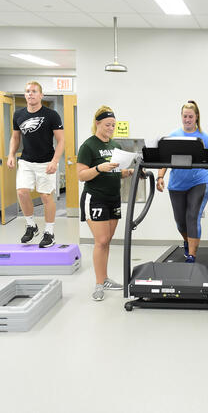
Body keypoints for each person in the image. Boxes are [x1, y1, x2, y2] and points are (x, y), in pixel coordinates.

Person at [77, 106, 134, 301]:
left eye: (113, 125)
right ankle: (99, 283)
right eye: (108, 124)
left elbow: (115, 171)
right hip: (95, 198)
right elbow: (81, 175)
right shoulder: (88, 146)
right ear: (97, 123)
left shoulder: (114, 145)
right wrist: (99, 168)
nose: (111, 128)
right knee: (101, 241)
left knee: (107, 241)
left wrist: (127, 172)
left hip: (113, 198)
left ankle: (105, 278)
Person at [156, 101, 208, 263]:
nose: (187, 119)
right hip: (177, 185)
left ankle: (192, 255)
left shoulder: (204, 138)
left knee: (192, 216)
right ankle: (187, 241)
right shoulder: (173, 135)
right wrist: (160, 177)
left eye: (190, 116)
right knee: (180, 222)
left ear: (196, 117)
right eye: (185, 116)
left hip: (199, 182)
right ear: (181, 117)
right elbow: (165, 159)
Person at [7, 81, 65, 248]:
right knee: (22, 192)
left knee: (46, 196)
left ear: (41, 95)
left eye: (34, 91)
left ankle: (49, 232)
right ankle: (31, 225)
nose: (30, 94)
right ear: (25, 95)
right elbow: (15, 137)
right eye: (27, 91)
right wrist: (11, 154)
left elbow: (61, 141)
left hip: (46, 162)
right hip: (26, 161)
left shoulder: (51, 115)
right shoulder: (18, 114)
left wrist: (55, 161)